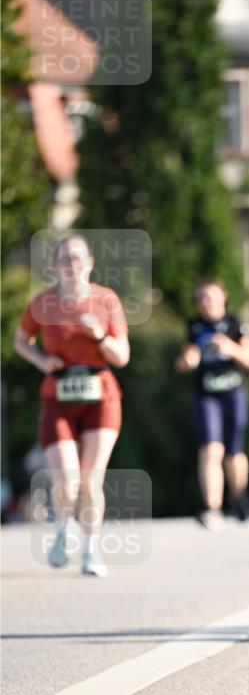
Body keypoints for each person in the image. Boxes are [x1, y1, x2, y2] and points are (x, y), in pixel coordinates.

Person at [13, 234, 130, 576]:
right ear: (55, 266)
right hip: (58, 396)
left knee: (92, 480)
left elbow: (122, 356)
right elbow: (21, 341)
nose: (71, 265)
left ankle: (92, 550)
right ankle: (64, 529)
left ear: (90, 263)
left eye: (77, 258)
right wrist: (39, 359)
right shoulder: (43, 303)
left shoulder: (106, 300)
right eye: (64, 259)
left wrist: (99, 335)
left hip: (101, 395)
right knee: (67, 479)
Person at [176, 279, 249, 531]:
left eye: (210, 297)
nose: (205, 303)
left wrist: (230, 348)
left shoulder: (236, 324)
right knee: (211, 449)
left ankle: (239, 495)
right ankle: (212, 508)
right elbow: (184, 360)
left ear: (223, 298)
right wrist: (187, 361)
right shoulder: (195, 326)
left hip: (233, 393)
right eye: (200, 298)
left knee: (234, 452)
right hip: (206, 394)